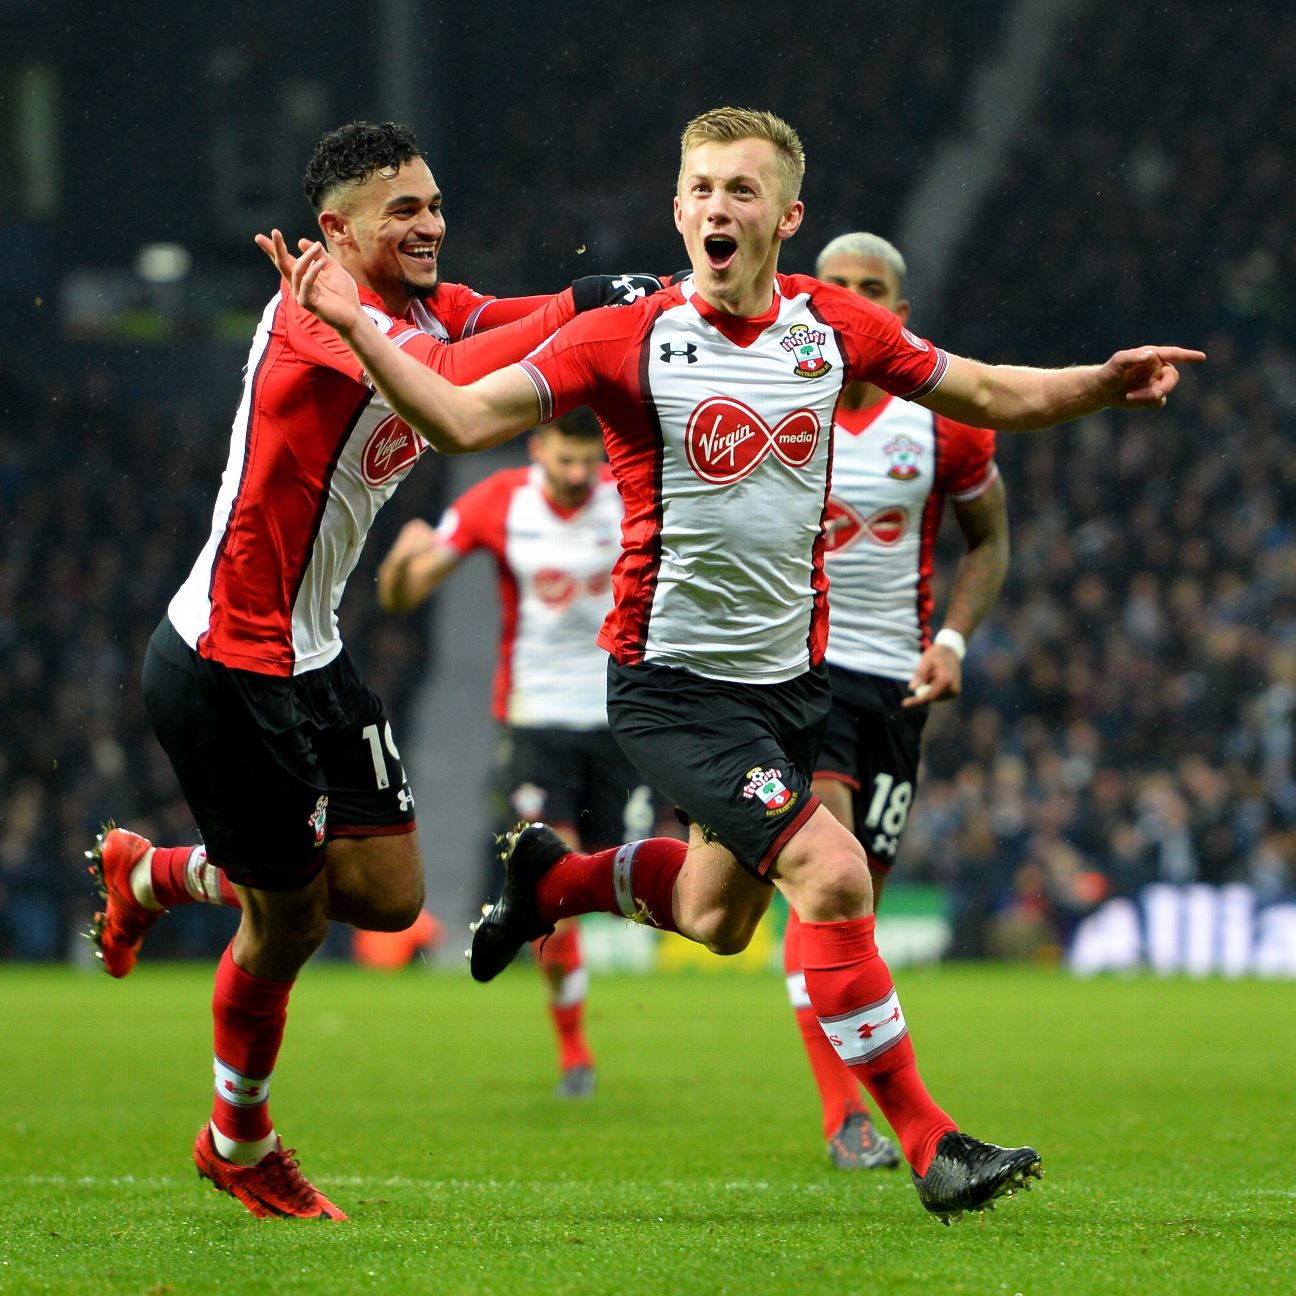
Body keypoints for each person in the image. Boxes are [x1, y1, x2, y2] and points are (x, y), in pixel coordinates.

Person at [260, 105, 1203, 1223]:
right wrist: (359, 330)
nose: (717, 206)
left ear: (786, 217)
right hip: (671, 687)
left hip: (788, 688)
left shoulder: (832, 327)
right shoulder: (627, 338)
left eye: (742, 190)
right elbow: (463, 418)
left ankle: (552, 882)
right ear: (676, 208)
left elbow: (989, 392)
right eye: (701, 187)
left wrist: (1103, 379)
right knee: (836, 873)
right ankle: (928, 1142)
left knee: (718, 917)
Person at [88, 119, 660, 1220]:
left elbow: (503, 323)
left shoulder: (421, 303)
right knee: (291, 922)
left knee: (391, 898)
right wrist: (589, 314)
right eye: (404, 211)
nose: (433, 225)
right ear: (335, 232)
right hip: (226, 658)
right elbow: (443, 387)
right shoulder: (317, 316)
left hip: (314, 651)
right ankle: (237, 1138)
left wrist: (598, 297)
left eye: (435, 205)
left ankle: (158, 874)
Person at [779, 231, 1010, 1171]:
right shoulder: (770, 401)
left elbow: (988, 541)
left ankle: (598, 877)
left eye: (869, 290)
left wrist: (952, 643)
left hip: (900, 684)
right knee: (825, 882)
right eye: (832, 287)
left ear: (898, 313)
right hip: (802, 673)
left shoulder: (943, 418)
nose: (850, 301)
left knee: (857, 904)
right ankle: (849, 1121)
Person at [376, 407, 659, 1098]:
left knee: (615, 884)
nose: (574, 475)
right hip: (536, 725)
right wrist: (403, 554)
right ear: (538, 449)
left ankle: (562, 979)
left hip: (620, 720)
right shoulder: (500, 502)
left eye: (587, 463)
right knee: (553, 882)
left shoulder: (630, 495)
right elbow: (402, 594)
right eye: (563, 460)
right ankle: (574, 1054)